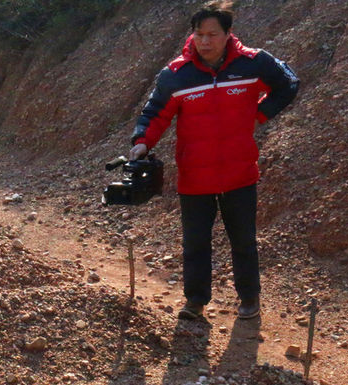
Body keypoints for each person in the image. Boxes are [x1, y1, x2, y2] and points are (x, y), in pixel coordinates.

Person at [128, 1, 298, 320]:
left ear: (228, 34)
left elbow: (288, 84)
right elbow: (154, 113)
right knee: (196, 243)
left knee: (244, 241)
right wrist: (141, 143)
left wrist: (260, 114)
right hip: (195, 176)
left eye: (212, 34)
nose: (204, 41)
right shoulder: (176, 75)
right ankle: (195, 301)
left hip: (240, 173)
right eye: (199, 34)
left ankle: (249, 299)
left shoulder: (253, 64)